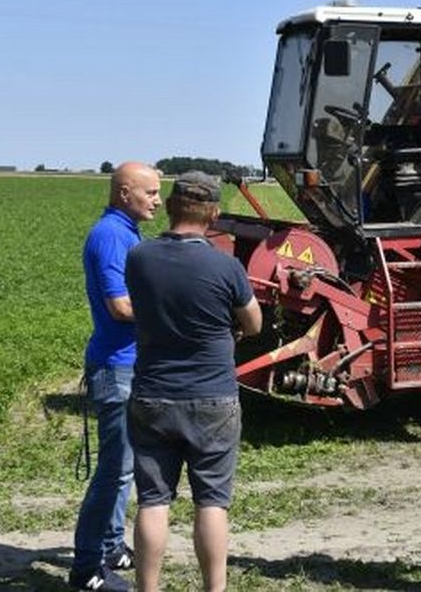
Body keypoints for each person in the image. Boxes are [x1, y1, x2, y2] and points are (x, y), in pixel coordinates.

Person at [123, 171, 262, 592]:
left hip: (152, 393)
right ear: (215, 215)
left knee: (152, 501)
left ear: (169, 206)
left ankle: (148, 588)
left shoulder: (139, 258)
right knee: (212, 502)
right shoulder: (226, 266)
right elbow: (253, 324)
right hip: (213, 397)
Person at [70, 162, 162, 592]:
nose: (158, 201)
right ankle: (87, 568)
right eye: (151, 193)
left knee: (124, 470)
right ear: (124, 192)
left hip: (128, 362)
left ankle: (110, 546)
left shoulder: (125, 232)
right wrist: (171, 317)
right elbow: (120, 308)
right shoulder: (110, 237)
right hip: (116, 365)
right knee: (114, 470)